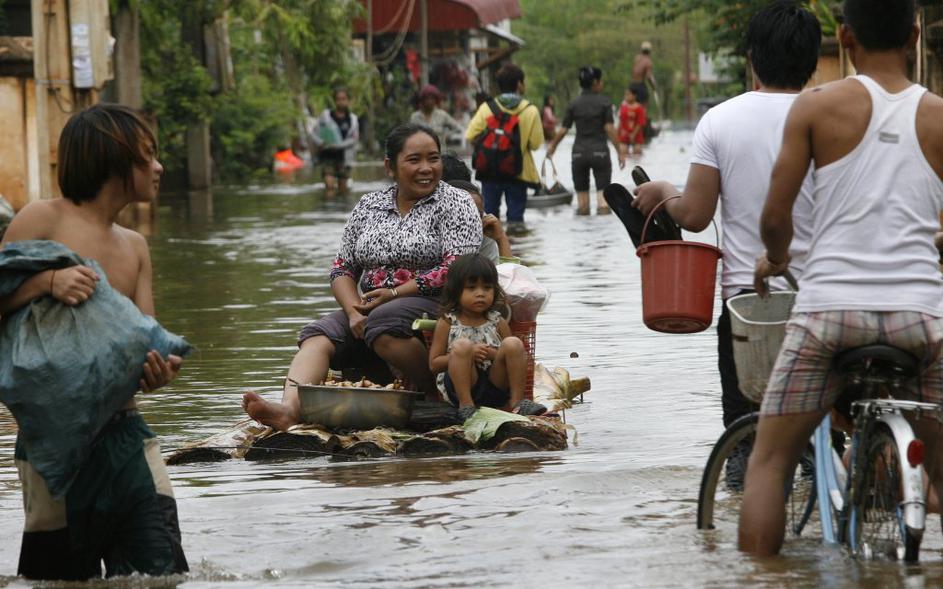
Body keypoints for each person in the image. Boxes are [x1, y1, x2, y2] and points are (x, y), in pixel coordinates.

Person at [740, 0, 943, 556]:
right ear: (915, 34)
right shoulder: (940, 116)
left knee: (770, 462)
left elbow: (776, 219)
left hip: (829, 314)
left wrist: (775, 258)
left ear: (843, 36)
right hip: (922, 320)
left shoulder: (815, 108)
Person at [0, 104, 187, 579]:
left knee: (164, 572)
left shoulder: (135, 246)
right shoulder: (41, 219)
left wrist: (159, 371)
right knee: (56, 578)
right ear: (114, 157)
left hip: (127, 434)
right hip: (52, 445)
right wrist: (47, 283)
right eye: (149, 154)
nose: (159, 166)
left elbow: (144, 341)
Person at [632, 2, 821, 444]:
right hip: (821, 298)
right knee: (819, 440)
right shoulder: (834, 118)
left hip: (747, 303)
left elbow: (696, 217)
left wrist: (663, 192)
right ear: (813, 61)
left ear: (751, 58)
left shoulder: (720, 119)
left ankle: (736, 501)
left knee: (744, 440)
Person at [243, 123, 482, 431]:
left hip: (435, 302)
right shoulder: (369, 205)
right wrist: (353, 309)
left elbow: (457, 267)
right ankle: (289, 409)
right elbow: (342, 267)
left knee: (383, 321)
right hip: (371, 304)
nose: (426, 168)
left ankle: (429, 389)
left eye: (433, 158)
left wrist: (395, 294)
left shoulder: (457, 203)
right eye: (414, 160)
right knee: (317, 335)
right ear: (390, 166)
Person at [429, 253, 546, 421]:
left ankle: (518, 402)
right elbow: (434, 364)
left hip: (495, 386)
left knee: (513, 343)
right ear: (456, 291)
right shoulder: (448, 321)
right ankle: (466, 406)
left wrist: (494, 354)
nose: (480, 294)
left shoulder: (496, 320)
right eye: (471, 288)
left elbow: (512, 356)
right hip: (463, 385)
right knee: (462, 346)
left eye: (487, 288)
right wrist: (467, 354)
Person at [465, 64, 543, 233]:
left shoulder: (487, 108)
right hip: (518, 172)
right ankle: (515, 254)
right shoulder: (530, 111)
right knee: (516, 221)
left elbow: (470, 135)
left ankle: (493, 256)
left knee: (489, 220)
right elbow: (536, 144)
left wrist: (490, 148)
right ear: (519, 84)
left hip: (489, 172)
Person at [546, 66, 627, 216]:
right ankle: (600, 238)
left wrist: (552, 147)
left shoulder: (573, 104)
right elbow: (609, 128)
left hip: (579, 154)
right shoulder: (604, 103)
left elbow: (563, 130)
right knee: (603, 203)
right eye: (600, 80)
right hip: (600, 152)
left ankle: (582, 236)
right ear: (595, 82)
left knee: (582, 204)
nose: (602, 83)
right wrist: (620, 152)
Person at [447, 179, 513, 264]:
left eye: (478, 214)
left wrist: (501, 238)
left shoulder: (484, 230)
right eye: (463, 213)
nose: (472, 220)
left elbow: (510, 275)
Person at [309, 88, 360, 196]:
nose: (341, 101)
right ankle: (329, 209)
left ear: (348, 100)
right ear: (334, 101)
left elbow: (354, 139)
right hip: (327, 157)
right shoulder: (326, 116)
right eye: (338, 99)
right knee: (330, 189)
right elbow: (314, 133)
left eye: (343, 99)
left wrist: (338, 146)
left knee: (343, 191)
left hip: (344, 158)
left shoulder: (353, 119)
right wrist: (321, 143)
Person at [617, 87, 647, 157]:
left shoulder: (639, 108)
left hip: (636, 135)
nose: (626, 97)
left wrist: (633, 134)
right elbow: (621, 121)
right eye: (625, 95)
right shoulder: (623, 107)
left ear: (634, 96)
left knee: (637, 152)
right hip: (624, 135)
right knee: (623, 152)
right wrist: (617, 133)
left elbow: (640, 123)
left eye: (628, 95)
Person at [630, 41, 657, 107]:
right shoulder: (648, 62)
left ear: (641, 50)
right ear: (650, 51)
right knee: (643, 105)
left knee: (631, 106)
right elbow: (649, 77)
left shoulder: (636, 58)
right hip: (640, 86)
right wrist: (653, 86)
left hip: (632, 85)